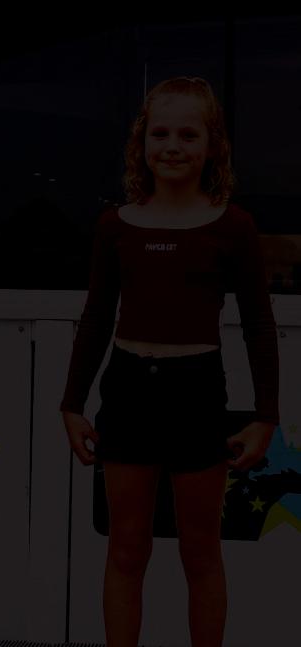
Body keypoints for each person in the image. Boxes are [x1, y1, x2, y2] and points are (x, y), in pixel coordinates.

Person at [60, 77, 279, 647]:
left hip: (196, 393)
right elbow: (96, 317)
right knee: (126, 548)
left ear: (213, 146)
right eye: (160, 133)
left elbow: (259, 324)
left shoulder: (233, 225)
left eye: (188, 134)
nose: (173, 146)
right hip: (128, 391)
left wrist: (266, 415)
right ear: (142, 142)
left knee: (200, 551)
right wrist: (72, 404)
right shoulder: (116, 224)